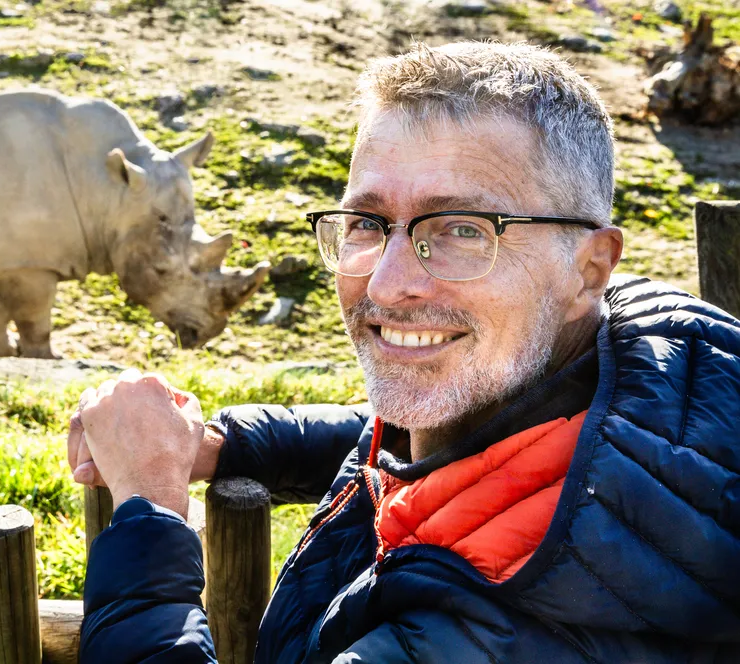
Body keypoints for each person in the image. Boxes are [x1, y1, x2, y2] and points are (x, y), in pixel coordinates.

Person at [65, 40, 740, 663]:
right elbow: (433, 449)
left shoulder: (495, 635)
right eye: (366, 222)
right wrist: (227, 444)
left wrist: (149, 517)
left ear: (589, 269)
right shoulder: (645, 370)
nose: (386, 284)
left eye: (463, 229)